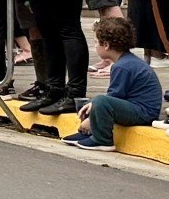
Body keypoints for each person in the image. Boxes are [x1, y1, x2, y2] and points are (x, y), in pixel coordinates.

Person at [64, 16, 162, 152]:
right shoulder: (125, 62)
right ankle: (88, 133)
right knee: (93, 103)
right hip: (137, 107)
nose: (95, 46)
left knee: (100, 102)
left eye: (96, 42)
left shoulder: (122, 66)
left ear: (106, 45)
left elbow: (114, 97)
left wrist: (91, 119)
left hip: (144, 112)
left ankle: (102, 139)